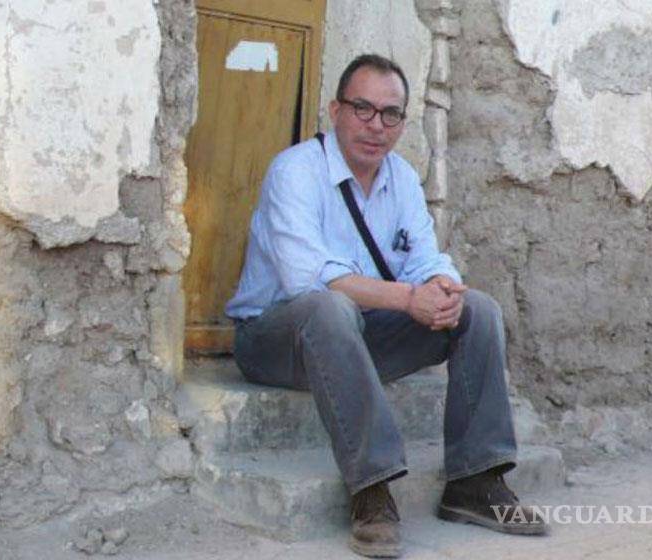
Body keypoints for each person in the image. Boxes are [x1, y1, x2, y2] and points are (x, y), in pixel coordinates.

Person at [226, 53, 547, 558]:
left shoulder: (402, 178)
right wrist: (408, 298)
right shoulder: (295, 171)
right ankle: (372, 490)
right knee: (329, 308)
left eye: (390, 114)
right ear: (335, 110)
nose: (376, 125)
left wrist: (441, 289)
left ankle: (475, 481)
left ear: (402, 122)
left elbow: (425, 258)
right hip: (275, 341)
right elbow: (308, 279)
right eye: (363, 109)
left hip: (355, 338)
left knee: (477, 309)